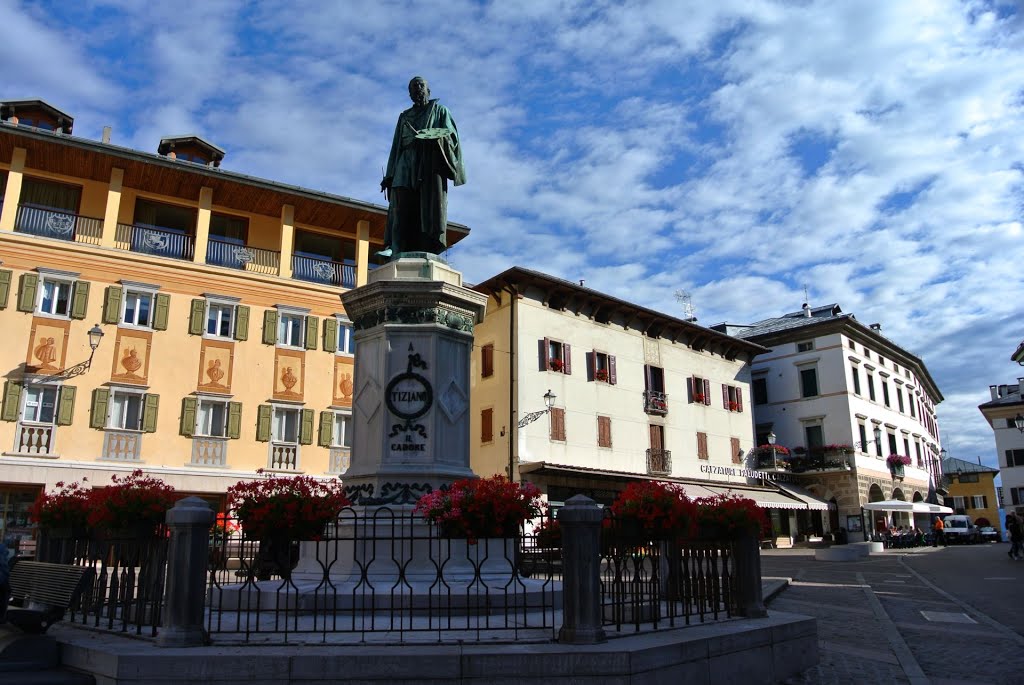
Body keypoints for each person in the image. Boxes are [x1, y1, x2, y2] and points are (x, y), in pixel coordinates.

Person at [379, 76, 466, 258]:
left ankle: (428, 244)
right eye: (413, 86)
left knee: (427, 205)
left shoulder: (440, 111)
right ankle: (395, 246)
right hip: (406, 159)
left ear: (428, 90)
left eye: (421, 85)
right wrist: (389, 175)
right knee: (399, 202)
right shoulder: (404, 117)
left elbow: (452, 137)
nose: (417, 88)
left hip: (429, 161)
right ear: (410, 93)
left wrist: (435, 137)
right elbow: (396, 146)